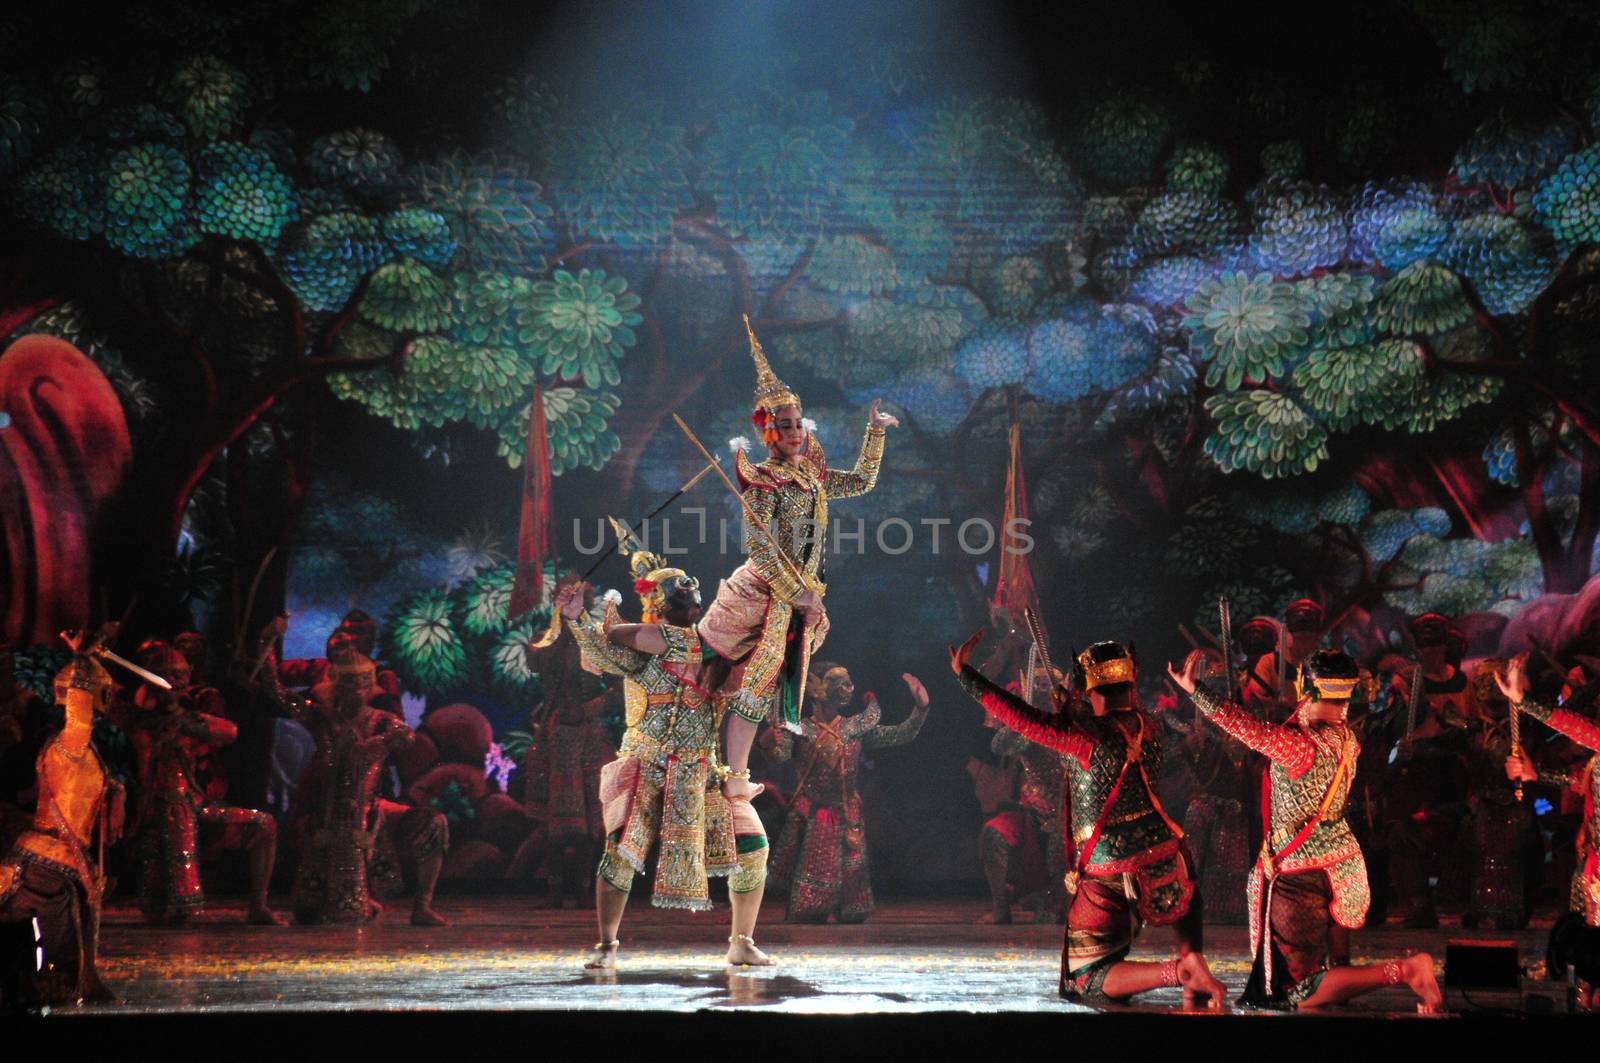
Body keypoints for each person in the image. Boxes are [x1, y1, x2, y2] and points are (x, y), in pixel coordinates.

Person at [950, 631, 1226, 1008]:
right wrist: (1072, 710)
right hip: (1166, 854)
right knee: (1182, 887)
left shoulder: (1083, 737)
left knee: (1086, 980)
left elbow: (1020, 716)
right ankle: (1192, 955)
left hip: (1111, 867)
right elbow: (1112, 726)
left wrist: (966, 675)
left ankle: (1179, 973)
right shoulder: (1152, 727)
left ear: (1090, 691)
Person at [1170, 647, 1441, 1011]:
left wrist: (1196, 690)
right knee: (1326, 977)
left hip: (1302, 871)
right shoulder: (1346, 739)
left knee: (1300, 991)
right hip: (1341, 864)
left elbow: (1248, 730)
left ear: (1307, 687)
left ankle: (1406, 970)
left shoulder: (1299, 747)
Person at [698, 317, 896, 806]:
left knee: (770, 689)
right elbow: (762, 549)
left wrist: (873, 432)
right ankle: (736, 774)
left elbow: (864, 481)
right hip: (770, 595)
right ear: (768, 431)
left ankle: (739, 771)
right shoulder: (764, 480)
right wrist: (799, 595)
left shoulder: (812, 476)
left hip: (803, 599)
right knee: (755, 681)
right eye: (781, 425)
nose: (790, 432)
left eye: (795, 423)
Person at [561, 535, 770, 969]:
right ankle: (606, 945)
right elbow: (603, 646)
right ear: (657, 605)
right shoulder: (643, 649)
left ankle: (742, 941)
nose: (687, 602)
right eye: (675, 596)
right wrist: (578, 619)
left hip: (703, 771)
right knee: (619, 853)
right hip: (647, 766)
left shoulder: (716, 653)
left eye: (690, 596)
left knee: (753, 847)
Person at [0, 629, 127, 1004]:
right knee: (44, 970)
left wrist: (116, 791)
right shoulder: (70, 744)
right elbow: (78, 715)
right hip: (47, 866)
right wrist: (84, 662)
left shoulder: (75, 751)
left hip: (55, 861)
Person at [287, 643, 449, 927]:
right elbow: (280, 698)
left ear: (369, 686)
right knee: (317, 911)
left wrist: (380, 744)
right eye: (349, 684)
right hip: (330, 813)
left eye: (362, 684)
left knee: (434, 823)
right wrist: (267, 647)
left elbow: (408, 736)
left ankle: (422, 906)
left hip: (372, 808)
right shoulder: (322, 718)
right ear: (337, 684)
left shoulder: (381, 720)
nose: (355, 691)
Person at [126, 640, 283, 926]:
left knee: (264, 824)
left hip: (194, 806)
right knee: (162, 912)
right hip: (151, 815)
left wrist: (181, 718)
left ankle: (258, 905)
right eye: (166, 674)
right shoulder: (136, 718)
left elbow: (229, 732)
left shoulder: (189, 716)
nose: (174, 680)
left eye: (180, 675)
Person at [765, 663, 929, 922]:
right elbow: (780, 754)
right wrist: (769, 743)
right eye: (837, 683)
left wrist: (919, 709)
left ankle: (844, 912)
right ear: (816, 689)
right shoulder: (800, 729)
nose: (847, 688)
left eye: (848, 682)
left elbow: (901, 735)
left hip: (848, 813)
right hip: (814, 813)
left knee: (854, 908)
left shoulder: (854, 729)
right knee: (812, 908)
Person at [522, 578, 612, 908]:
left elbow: (616, 690)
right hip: (554, 738)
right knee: (552, 824)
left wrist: (587, 709)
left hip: (589, 737)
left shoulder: (598, 639)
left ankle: (585, 890)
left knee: (591, 824)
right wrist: (558, 627)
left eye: (581, 598)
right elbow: (536, 662)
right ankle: (555, 888)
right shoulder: (546, 639)